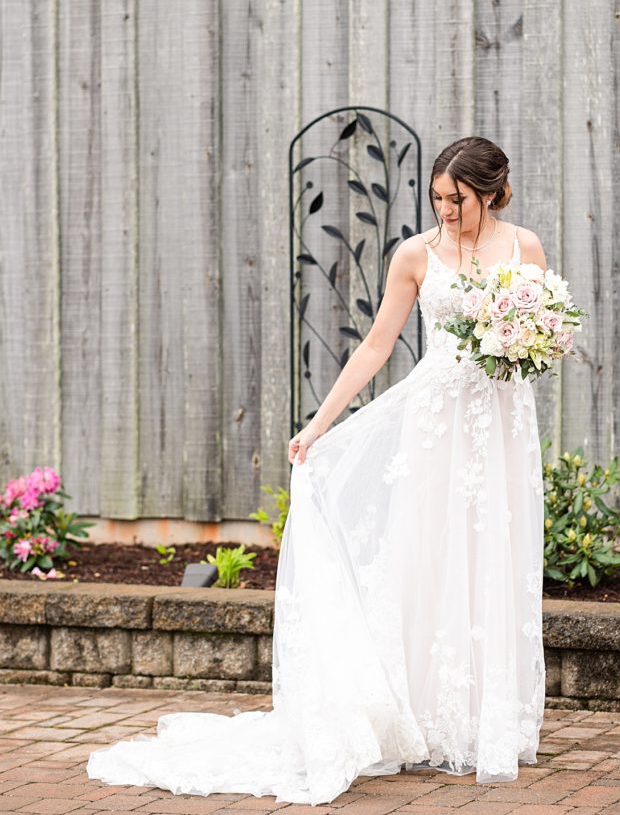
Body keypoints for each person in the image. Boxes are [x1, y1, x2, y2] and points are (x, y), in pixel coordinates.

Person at [87, 136, 548, 806]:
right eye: (438, 198)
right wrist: (318, 424)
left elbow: (540, 336)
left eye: (460, 200)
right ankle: (419, 715)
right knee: (423, 561)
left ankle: (487, 721)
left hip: (502, 424)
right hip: (432, 423)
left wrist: (526, 345)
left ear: (492, 193)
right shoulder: (415, 256)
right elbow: (376, 345)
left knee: (492, 557)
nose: (446, 210)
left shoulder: (525, 248)